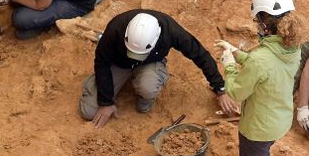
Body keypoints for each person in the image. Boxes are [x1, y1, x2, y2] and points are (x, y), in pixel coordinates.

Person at [215, 0, 302, 156]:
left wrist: (229, 63)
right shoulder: (292, 47)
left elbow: (236, 91)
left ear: (265, 23)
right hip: (279, 117)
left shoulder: (261, 59)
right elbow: (263, 66)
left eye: (258, 20)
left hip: (258, 125)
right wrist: (238, 53)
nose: (257, 25)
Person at [79, 10, 236, 128]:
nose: (135, 56)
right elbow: (101, 62)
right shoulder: (115, 28)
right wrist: (106, 102)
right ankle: (101, 84)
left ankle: (147, 89)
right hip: (119, 63)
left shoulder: (170, 30)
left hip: (150, 62)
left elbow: (201, 55)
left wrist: (220, 89)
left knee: (148, 88)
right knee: (89, 111)